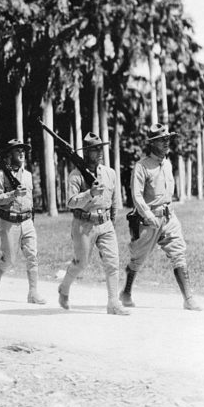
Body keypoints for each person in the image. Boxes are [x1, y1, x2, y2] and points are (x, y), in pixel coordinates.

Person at [121, 124, 202, 311]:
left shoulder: (167, 163)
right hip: (148, 220)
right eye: (161, 140)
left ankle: (188, 298)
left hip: (168, 217)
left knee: (179, 252)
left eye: (167, 139)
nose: (166, 143)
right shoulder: (142, 166)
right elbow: (137, 196)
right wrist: (148, 215)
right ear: (152, 144)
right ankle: (125, 293)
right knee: (137, 259)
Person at [57, 133, 129, 315]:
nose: (100, 152)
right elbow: (71, 202)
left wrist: (111, 221)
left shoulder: (110, 173)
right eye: (95, 149)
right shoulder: (76, 175)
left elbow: (114, 200)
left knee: (113, 262)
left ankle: (113, 302)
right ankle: (64, 288)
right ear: (87, 152)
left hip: (105, 224)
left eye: (100, 148)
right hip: (84, 224)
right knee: (81, 263)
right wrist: (90, 193)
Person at [0, 139, 45, 304]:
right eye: (17, 151)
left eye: (23, 150)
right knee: (9, 259)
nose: (21, 153)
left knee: (32, 256)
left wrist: (31, 219)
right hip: (10, 222)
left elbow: (31, 200)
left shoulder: (28, 175)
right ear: (10, 154)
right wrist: (13, 194)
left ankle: (33, 292)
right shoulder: (1, 175)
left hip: (27, 221)